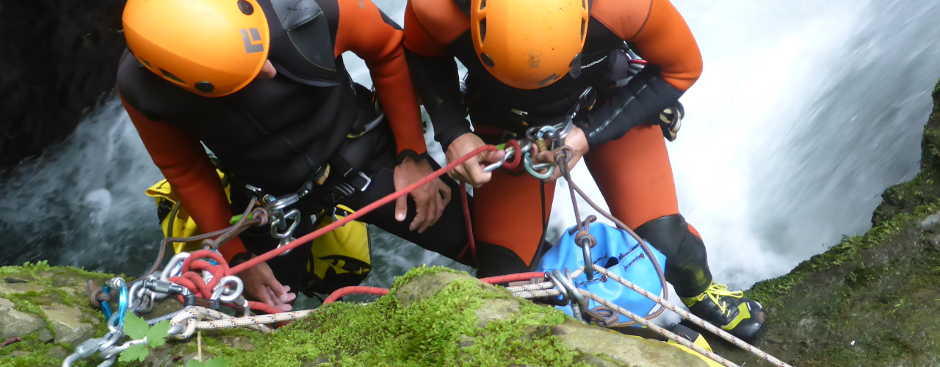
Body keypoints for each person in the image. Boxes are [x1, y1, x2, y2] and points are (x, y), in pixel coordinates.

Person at [403, 0, 766, 340]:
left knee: (663, 240)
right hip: (507, 122)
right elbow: (422, 56)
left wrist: (589, 133)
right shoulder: (437, 8)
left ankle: (701, 291)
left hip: (604, 98)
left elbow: (682, 67)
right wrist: (455, 134)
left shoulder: (622, 7)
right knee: (507, 283)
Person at [118, 0, 468, 312]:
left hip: (363, 153)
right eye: (247, 76)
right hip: (268, 198)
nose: (270, 71)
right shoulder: (146, 90)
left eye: (260, 56)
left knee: (489, 249)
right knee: (253, 314)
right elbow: (187, 169)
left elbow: (389, 48)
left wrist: (413, 156)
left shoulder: (310, 11)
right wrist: (237, 256)